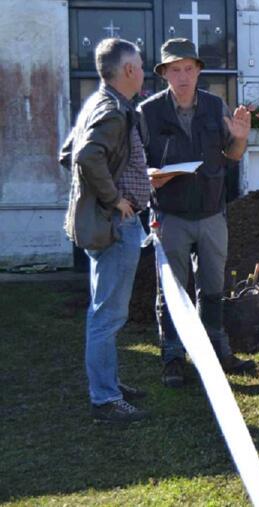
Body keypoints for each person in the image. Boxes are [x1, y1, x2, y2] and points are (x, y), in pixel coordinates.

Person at [139, 39, 255, 387]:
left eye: (189, 68)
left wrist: (240, 137)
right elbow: (135, 165)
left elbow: (232, 155)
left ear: (199, 71)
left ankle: (216, 352)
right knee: (172, 291)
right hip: (170, 215)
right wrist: (151, 176)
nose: (183, 76)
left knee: (213, 287)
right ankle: (173, 358)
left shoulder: (215, 106)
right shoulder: (148, 113)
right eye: (175, 69)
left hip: (211, 213)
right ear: (164, 74)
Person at [59, 38, 151, 423]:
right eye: (140, 65)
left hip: (107, 224)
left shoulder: (99, 103)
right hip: (115, 227)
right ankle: (106, 400)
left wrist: (107, 188)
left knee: (105, 313)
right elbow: (84, 156)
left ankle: (108, 382)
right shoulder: (112, 111)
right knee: (107, 316)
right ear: (128, 70)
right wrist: (114, 199)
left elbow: (68, 153)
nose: (143, 71)